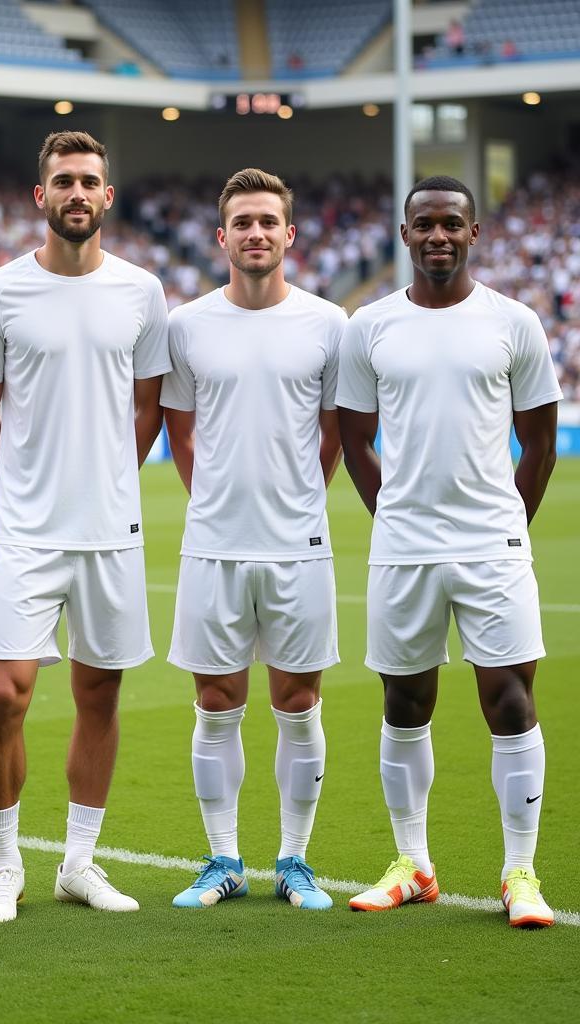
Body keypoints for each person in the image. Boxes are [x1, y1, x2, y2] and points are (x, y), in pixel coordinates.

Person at [337, 176, 561, 927]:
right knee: (405, 702)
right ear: (404, 235)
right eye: (424, 224)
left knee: (510, 700)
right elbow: (353, 437)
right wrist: (392, 515)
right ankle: (413, 865)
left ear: (474, 233)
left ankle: (521, 872)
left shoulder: (515, 322)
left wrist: (509, 523)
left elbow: (539, 440)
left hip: (490, 544)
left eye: (451, 225)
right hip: (404, 545)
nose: (438, 236)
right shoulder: (369, 325)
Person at [0, 130, 169, 922]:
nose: (76, 193)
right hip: (27, 530)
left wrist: (111, 476)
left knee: (99, 694)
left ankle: (78, 862)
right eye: (63, 182)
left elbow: (149, 404)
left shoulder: (141, 290)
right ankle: (5, 862)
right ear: (39, 196)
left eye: (89, 181)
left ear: (106, 196)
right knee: (6, 694)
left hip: (111, 530)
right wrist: (25, 479)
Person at [162, 168, 345, 911]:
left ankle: (295, 861)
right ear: (222, 237)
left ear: (289, 234)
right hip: (214, 544)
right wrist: (216, 500)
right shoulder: (188, 325)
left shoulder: (329, 324)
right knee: (215, 700)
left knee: (299, 701)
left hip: (298, 546)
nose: (256, 233)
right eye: (243, 223)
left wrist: (295, 502)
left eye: (269, 222)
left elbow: (335, 434)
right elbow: (179, 429)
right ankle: (223, 859)